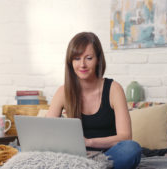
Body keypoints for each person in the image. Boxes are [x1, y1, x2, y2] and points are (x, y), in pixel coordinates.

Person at [46, 32, 141, 169]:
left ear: (98, 60)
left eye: (89, 58)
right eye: (77, 59)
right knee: (19, 151)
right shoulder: (63, 91)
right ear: (70, 62)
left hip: (107, 155)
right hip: (75, 156)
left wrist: (88, 142)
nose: (82, 64)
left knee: (131, 149)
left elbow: (125, 137)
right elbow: (47, 131)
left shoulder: (114, 89)